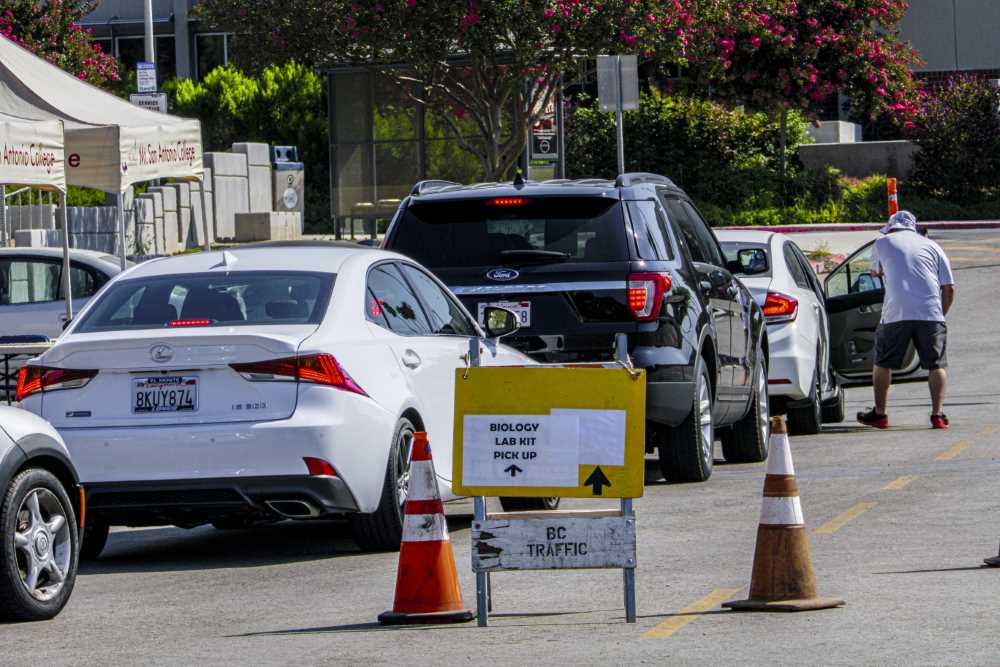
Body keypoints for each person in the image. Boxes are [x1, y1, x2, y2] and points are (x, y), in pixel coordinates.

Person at [857, 211, 955, 430]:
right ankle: (937, 416)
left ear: (891, 227)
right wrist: (940, 316)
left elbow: (873, 273)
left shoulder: (882, 242)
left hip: (896, 313)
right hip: (930, 313)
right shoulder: (933, 246)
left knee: (883, 363)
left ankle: (880, 415)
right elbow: (948, 288)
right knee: (936, 364)